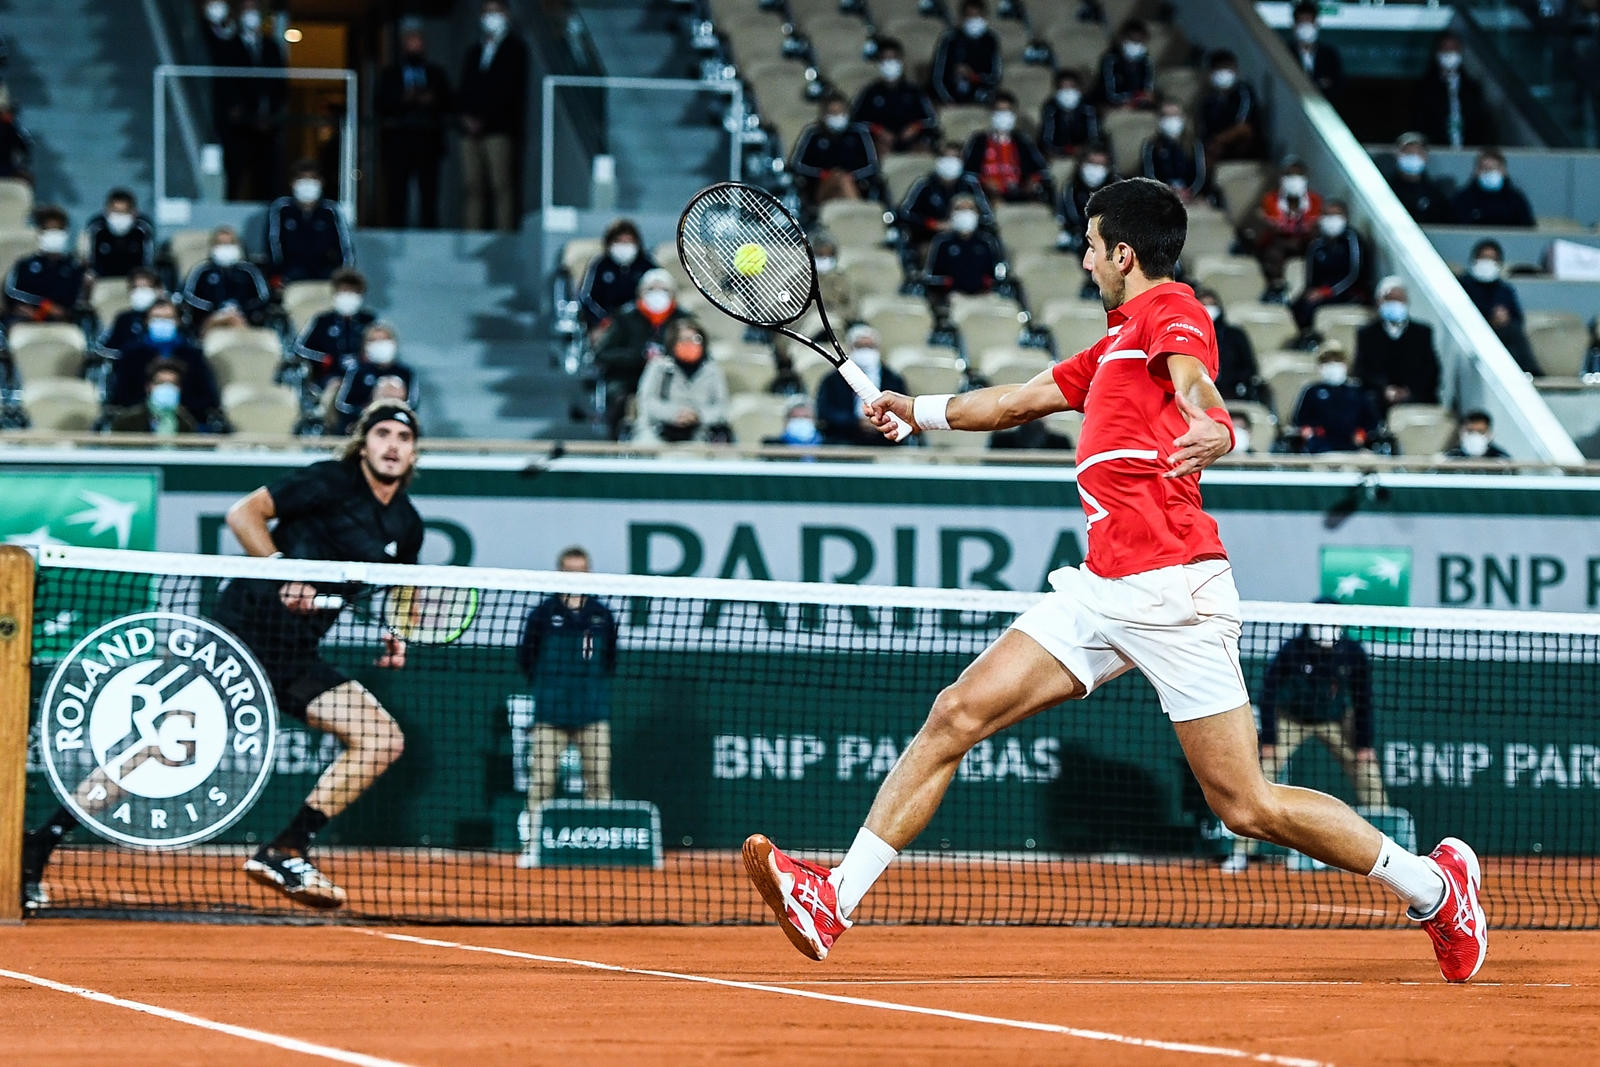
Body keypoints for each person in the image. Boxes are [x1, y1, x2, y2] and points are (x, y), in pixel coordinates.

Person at [743, 177, 1485, 984]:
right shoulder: (1113, 345)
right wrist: (913, 410)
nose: (1085, 258)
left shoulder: (1172, 311)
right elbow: (1018, 401)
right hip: (1101, 587)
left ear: (1124, 254)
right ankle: (836, 897)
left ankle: (1437, 888)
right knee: (956, 710)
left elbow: (1197, 378)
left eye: (1093, 245)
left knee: (1246, 805)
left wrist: (1214, 422)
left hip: (1173, 590)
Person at [218, 402, 423, 907]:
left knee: (381, 739)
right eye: (382, 434)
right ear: (364, 442)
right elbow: (243, 513)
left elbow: (400, 591)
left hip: (294, 655)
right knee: (158, 746)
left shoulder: (407, 523)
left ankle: (285, 849)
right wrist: (282, 569)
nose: (393, 445)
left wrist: (397, 630)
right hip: (238, 636)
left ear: (414, 451)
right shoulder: (329, 480)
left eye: (403, 437)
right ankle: (34, 847)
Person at [1224, 614, 1386, 872]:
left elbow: (1363, 698)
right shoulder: (1292, 649)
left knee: (1367, 772)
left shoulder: (1353, 652)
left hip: (1335, 719)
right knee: (1260, 773)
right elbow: (1268, 693)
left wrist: (1364, 744)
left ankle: (1385, 851)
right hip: (1292, 718)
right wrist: (1269, 740)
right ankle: (1241, 852)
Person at [515, 545, 618, 852]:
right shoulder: (542, 615)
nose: (575, 577)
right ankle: (533, 847)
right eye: (569, 572)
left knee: (599, 783)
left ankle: (600, 847)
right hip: (550, 713)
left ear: (590, 573)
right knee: (541, 784)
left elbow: (610, 660)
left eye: (581, 571)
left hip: (593, 712)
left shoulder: (601, 615)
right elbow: (526, 658)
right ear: (559, 573)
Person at [376, 18, 455, 228]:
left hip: (428, 140)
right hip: (399, 140)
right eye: (410, 39)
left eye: (418, 39)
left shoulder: (436, 74)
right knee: (397, 192)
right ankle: (395, 231)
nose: (414, 44)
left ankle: (430, 233)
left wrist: (431, 100)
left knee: (429, 193)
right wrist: (404, 99)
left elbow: (450, 101)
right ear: (402, 43)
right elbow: (380, 103)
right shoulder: (390, 74)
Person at [459, 0, 529, 231]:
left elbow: (510, 91)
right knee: (472, 186)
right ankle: (472, 235)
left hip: (499, 129)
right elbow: (466, 89)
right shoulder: (473, 51)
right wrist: (467, 118)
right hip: (469, 131)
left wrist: (485, 120)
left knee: (501, 185)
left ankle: (504, 235)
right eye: (486, 12)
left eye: (495, 12)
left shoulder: (515, 49)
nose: (490, 17)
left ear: (507, 15)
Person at [594, 268, 686, 438]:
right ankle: (613, 444)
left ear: (673, 294)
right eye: (651, 289)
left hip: (672, 378)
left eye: (664, 290)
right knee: (619, 399)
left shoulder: (683, 319)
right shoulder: (625, 317)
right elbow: (602, 353)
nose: (657, 294)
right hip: (630, 377)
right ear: (641, 292)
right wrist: (637, 357)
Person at [107, 299, 222, 426]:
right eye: (157, 318)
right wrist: (147, 409)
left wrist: (183, 408)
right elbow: (119, 396)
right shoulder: (131, 354)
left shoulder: (192, 354)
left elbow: (208, 398)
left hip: (189, 421)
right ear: (147, 321)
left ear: (178, 321)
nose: (162, 322)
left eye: (168, 318)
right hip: (140, 422)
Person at [218, 0, 286, 202]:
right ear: (238, 14)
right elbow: (226, 84)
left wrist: (272, 114)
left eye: (254, 10)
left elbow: (280, 84)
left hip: (268, 126)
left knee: (266, 177)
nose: (251, 14)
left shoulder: (272, 46)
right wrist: (242, 112)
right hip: (240, 127)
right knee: (235, 175)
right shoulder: (229, 46)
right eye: (247, 10)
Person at [632, 319, 731, 443]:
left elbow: (721, 408)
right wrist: (675, 414)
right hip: (658, 432)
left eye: (695, 339)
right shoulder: (658, 367)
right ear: (672, 342)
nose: (689, 343)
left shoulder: (713, 370)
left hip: (699, 434)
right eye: (683, 339)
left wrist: (697, 415)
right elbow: (647, 402)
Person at [1457, 239, 1542, 376]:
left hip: (1501, 337)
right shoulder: (1461, 285)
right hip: (1473, 335)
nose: (1487, 263)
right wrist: (1490, 319)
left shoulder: (1504, 290)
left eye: (1492, 259)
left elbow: (1517, 318)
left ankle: (1529, 373)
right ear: (1474, 259)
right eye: (1483, 258)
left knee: (1512, 333)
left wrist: (1505, 319)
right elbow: (1460, 313)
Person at [1354, 278, 1440, 414]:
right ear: (1379, 302)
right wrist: (1385, 389)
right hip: (1378, 394)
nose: (1394, 303)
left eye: (1399, 299)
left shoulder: (1422, 332)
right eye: (1389, 299)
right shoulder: (1367, 333)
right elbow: (1361, 369)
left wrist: (1408, 390)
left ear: (1407, 302)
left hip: (1414, 394)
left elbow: (1430, 369)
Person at [1241, 159, 1322, 302]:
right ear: (1283, 179)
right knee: (1275, 250)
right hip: (1276, 242)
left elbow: (1313, 224)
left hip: (1304, 242)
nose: (1294, 180)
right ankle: (1275, 286)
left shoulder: (1315, 201)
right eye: (1290, 176)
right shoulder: (1271, 199)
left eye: (1298, 176)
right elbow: (1273, 224)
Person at [816, 324, 907, 447]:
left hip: (885, 441)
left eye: (870, 347)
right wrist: (856, 422)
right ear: (850, 348)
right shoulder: (832, 380)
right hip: (843, 439)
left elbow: (902, 411)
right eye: (860, 346)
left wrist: (879, 422)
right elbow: (825, 412)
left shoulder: (892, 379)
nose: (865, 352)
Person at [898, 143, 994, 257]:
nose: (951, 162)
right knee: (929, 250)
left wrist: (967, 223)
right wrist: (933, 224)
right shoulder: (925, 185)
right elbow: (905, 214)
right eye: (947, 157)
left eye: (955, 157)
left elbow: (987, 216)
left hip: (969, 237)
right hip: (930, 237)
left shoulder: (970, 185)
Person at [267, 162, 356, 283]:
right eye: (302, 178)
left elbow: (345, 245)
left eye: (312, 178)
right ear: (292, 183)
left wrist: (345, 273)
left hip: (325, 269)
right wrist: (276, 273)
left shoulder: (331, 210)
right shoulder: (281, 207)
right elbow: (273, 242)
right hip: (291, 270)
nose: (307, 184)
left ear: (321, 182)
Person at [789, 93, 881, 207]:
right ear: (824, 115)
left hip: (856, 184)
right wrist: (823, 174)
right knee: (840, 178)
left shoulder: (859, 132)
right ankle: (860, 213)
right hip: (821, 186)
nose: (837, 116)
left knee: (842, 187)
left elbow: (872, 166)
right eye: (832, 112)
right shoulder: (813, 134)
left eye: (840, 112)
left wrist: (851, 176)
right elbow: (796, 165)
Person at [849, 39, 938, 155]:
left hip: (911, 140)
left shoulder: (915, 91)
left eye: (893, 58)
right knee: (877, 153)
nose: (889, 63)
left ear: (901, 61)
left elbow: (930, 120)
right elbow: (856, 121)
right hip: (880, 142)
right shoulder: (869, 92)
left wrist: (915, 127)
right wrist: (878, 130)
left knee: (924, 153)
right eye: (885, 59)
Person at [1290, 200, 1365, 335]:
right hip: (1319, 292)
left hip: (1346, 292)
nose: (1332, 219)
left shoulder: (1352, 240)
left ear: (1346, 218)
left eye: (1336, 215)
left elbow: (1354, 274)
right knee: (1294, 307)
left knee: (1312, 309)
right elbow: (1311, 278)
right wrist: (1311, 292)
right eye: (1328, 215)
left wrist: (1328, 291)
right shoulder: (1316, 245)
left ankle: (1313, 337)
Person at [961, 92, 1050, 204]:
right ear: (991, 113)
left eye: (1007, 111)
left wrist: (1032, 181)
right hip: (986, 196)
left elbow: (1041, 170)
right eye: (999, 110)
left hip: (1020, 193)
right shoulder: (978, 141)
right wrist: (984, 182)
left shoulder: (1023, 141)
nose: (1003, 115)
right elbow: (968, 173)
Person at [295, 267, 377, 387]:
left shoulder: (369, 320)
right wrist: (325, 359)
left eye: (353, 292)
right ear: (335, 293)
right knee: (337, 385)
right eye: (344, 291)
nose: (348, 296)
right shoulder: (322, 321)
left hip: (364, 376)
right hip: (329, 376)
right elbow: (300, 349)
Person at [4, 206, 87, 323]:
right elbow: (11, 293)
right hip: (25, 316)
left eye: (58, 230)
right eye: (48, 230)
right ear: (40, 233)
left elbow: (75, 300)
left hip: (62, 319)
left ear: (66, 233)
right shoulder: (25, 264)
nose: (53, 234)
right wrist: (45, 306)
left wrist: (54, 311)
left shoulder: (75, 267)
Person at [333, 322, 417, 433]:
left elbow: (413, 404)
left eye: (384, 339)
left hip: (397, 422)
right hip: (360, 425)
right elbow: (342, 405)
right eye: (374, 340)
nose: (380, 344)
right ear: (365, 346)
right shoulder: (357, 371)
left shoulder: (405, 372)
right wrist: (369, 409)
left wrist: (390, 407)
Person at [1413, 33, 1491, 149]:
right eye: (1445, 49)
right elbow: (1419, 122)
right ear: (1437, 52)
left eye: (1453, 49)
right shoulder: (1424, 88)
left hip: (1470, 150)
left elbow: (1480, 121)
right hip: (1436, 150)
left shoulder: (1472, 88)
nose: (1449, 53)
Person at [181, 226, 269, 326]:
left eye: (229, 243)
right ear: (213, 247)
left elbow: (263, 297)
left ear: (238, 245)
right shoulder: (201, 270)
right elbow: (188, 296)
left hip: (244, 318)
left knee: (235, 319)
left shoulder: (249, 270)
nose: (225, 248)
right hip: (209, 319)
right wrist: (213, 309)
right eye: (221, 244)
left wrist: (241, 309)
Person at [577, 218, 656, 331]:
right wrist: (602, 319)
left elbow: (661, 292)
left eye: (629, 241)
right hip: (605, 323)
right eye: (619, 241)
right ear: (610, 243)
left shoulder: (647, 264)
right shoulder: (600, 264)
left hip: (641, 324)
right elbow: (586, 298)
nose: (624, 246)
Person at [924, 194, 1004, 298]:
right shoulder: (942, 242)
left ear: (977, 214)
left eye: (969, 209)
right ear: (951, 214)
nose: (965, 213)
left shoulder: (987, 241)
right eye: (959, 209)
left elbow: (998, 275)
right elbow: (933, 278)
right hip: (953, 296)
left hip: (984, 295)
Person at [1195, 286, 1263, 404]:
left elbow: (1249, 367)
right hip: (1198, 394)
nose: (1208, 310)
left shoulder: (1234, 335)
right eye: (1203, 305)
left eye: (1211, 305)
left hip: (1230, 394)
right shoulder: (1189, 335)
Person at [932, 1, 1002, 105]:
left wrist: (973, 76)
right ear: (962, 17)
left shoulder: (990, 40)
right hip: (950, 98)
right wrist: (948, 99)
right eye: (970, 16)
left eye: (977, 16)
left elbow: (995, 77)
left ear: (984, 17)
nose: (974, 20)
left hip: (981, 99)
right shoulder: (950, 39)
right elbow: (937, 76)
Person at [1197, 50, 1259, 166]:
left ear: (1235, 70)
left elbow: (1242, 124)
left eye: (1227, 68)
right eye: (1219, 69)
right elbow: (1205, 131)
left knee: (1244, 130)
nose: (1223, 73)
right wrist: (1213, 144)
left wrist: (1219, 140)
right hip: (1216, 147)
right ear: (1211, 73)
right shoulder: (1207, 101)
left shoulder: (1243, 91)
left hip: (1240, 144)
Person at [109, 359, 200, 434]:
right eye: (160, 383)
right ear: (148, 387)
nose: (166, 388)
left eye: (172, 384)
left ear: (179, 389)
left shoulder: (186, 424)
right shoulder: (126, 421)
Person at [1450, 149, 1534, 227]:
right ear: (1476, 171)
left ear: (1504, 172)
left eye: (1495, 169)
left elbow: (1527, 229)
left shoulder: (1516, 200)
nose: (1490, 173)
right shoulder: (1463, 199)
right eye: (1485, 169)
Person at [82, 189, 155, 279]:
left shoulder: (143, 228)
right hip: (102, 280)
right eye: (116, 212)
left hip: (135, 281)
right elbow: (86, 258)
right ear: (107, 211)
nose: (119, 216)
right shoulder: (96, 227)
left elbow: (150, 260)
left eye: (124, 212)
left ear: (134, 212)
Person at [1056, 144, 1114, 255]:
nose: (1095, 169)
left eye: (1100, 165)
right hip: (1080, 241)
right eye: (1092, 163)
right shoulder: (1070, 189)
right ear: (1081, 164)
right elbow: (1071, 218)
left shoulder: (1117, 189)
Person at [1142, 102, 1206, 202]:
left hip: (1190, 195)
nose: (1171, 120)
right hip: (1160, 196)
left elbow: (1200, 175)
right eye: (1166, 116)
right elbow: (1149, 174)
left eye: (1174, 115)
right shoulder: (1152, 145)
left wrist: (1189, 192)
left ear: (1183, 118)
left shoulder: (1194, 144)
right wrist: (1167, 191)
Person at [97, 268, 163, 360]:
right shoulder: (124, 318)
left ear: (158, 290)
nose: (140, 292)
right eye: (136, 288)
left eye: (145, 288)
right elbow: (108, 347)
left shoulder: (167, 317)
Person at [1388, 133, 1453, 225]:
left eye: (1417, 152)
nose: (1412, 157)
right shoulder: (1386, 190)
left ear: (1425, 157)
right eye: (1407, 152)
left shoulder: (1435, 194)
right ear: (1397, 156)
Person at [1038, 70, 1099, 159]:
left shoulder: (1088, 108)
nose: (1067, 92)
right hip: (1058, 154)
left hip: (1084, 154)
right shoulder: (1050, 108)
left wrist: (1082, 149)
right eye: (1063, 88)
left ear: (1079, 89)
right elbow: (1047, 139)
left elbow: (1094, 136)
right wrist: (1063, 150)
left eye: (1071, 87)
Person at [1291, 1, 1344, 102]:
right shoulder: (1287, 53)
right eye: (1302, 22)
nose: (1306, 27)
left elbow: (1338, 86)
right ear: (1295, 26)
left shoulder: (1329, 56)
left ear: (1316, 24)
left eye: (1309, 22)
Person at [1096, 20, 1156, 109]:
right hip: (1111, 103)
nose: (1135, 44)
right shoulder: (1111, 60)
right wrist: (1128, 99)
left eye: (1139, 41)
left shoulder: (1146, 61)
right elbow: (1109, 91)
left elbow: (1147, 89)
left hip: (1137, 104)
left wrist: (1138, 100)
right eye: (1132, 39)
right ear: (1123, 39)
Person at [1443, 410, 1511, 459]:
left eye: (1481, 432)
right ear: (1462, 432)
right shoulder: (1450, 457)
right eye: (1470, 431)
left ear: (1490, 434)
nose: (1475, 435)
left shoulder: (1501, 458)